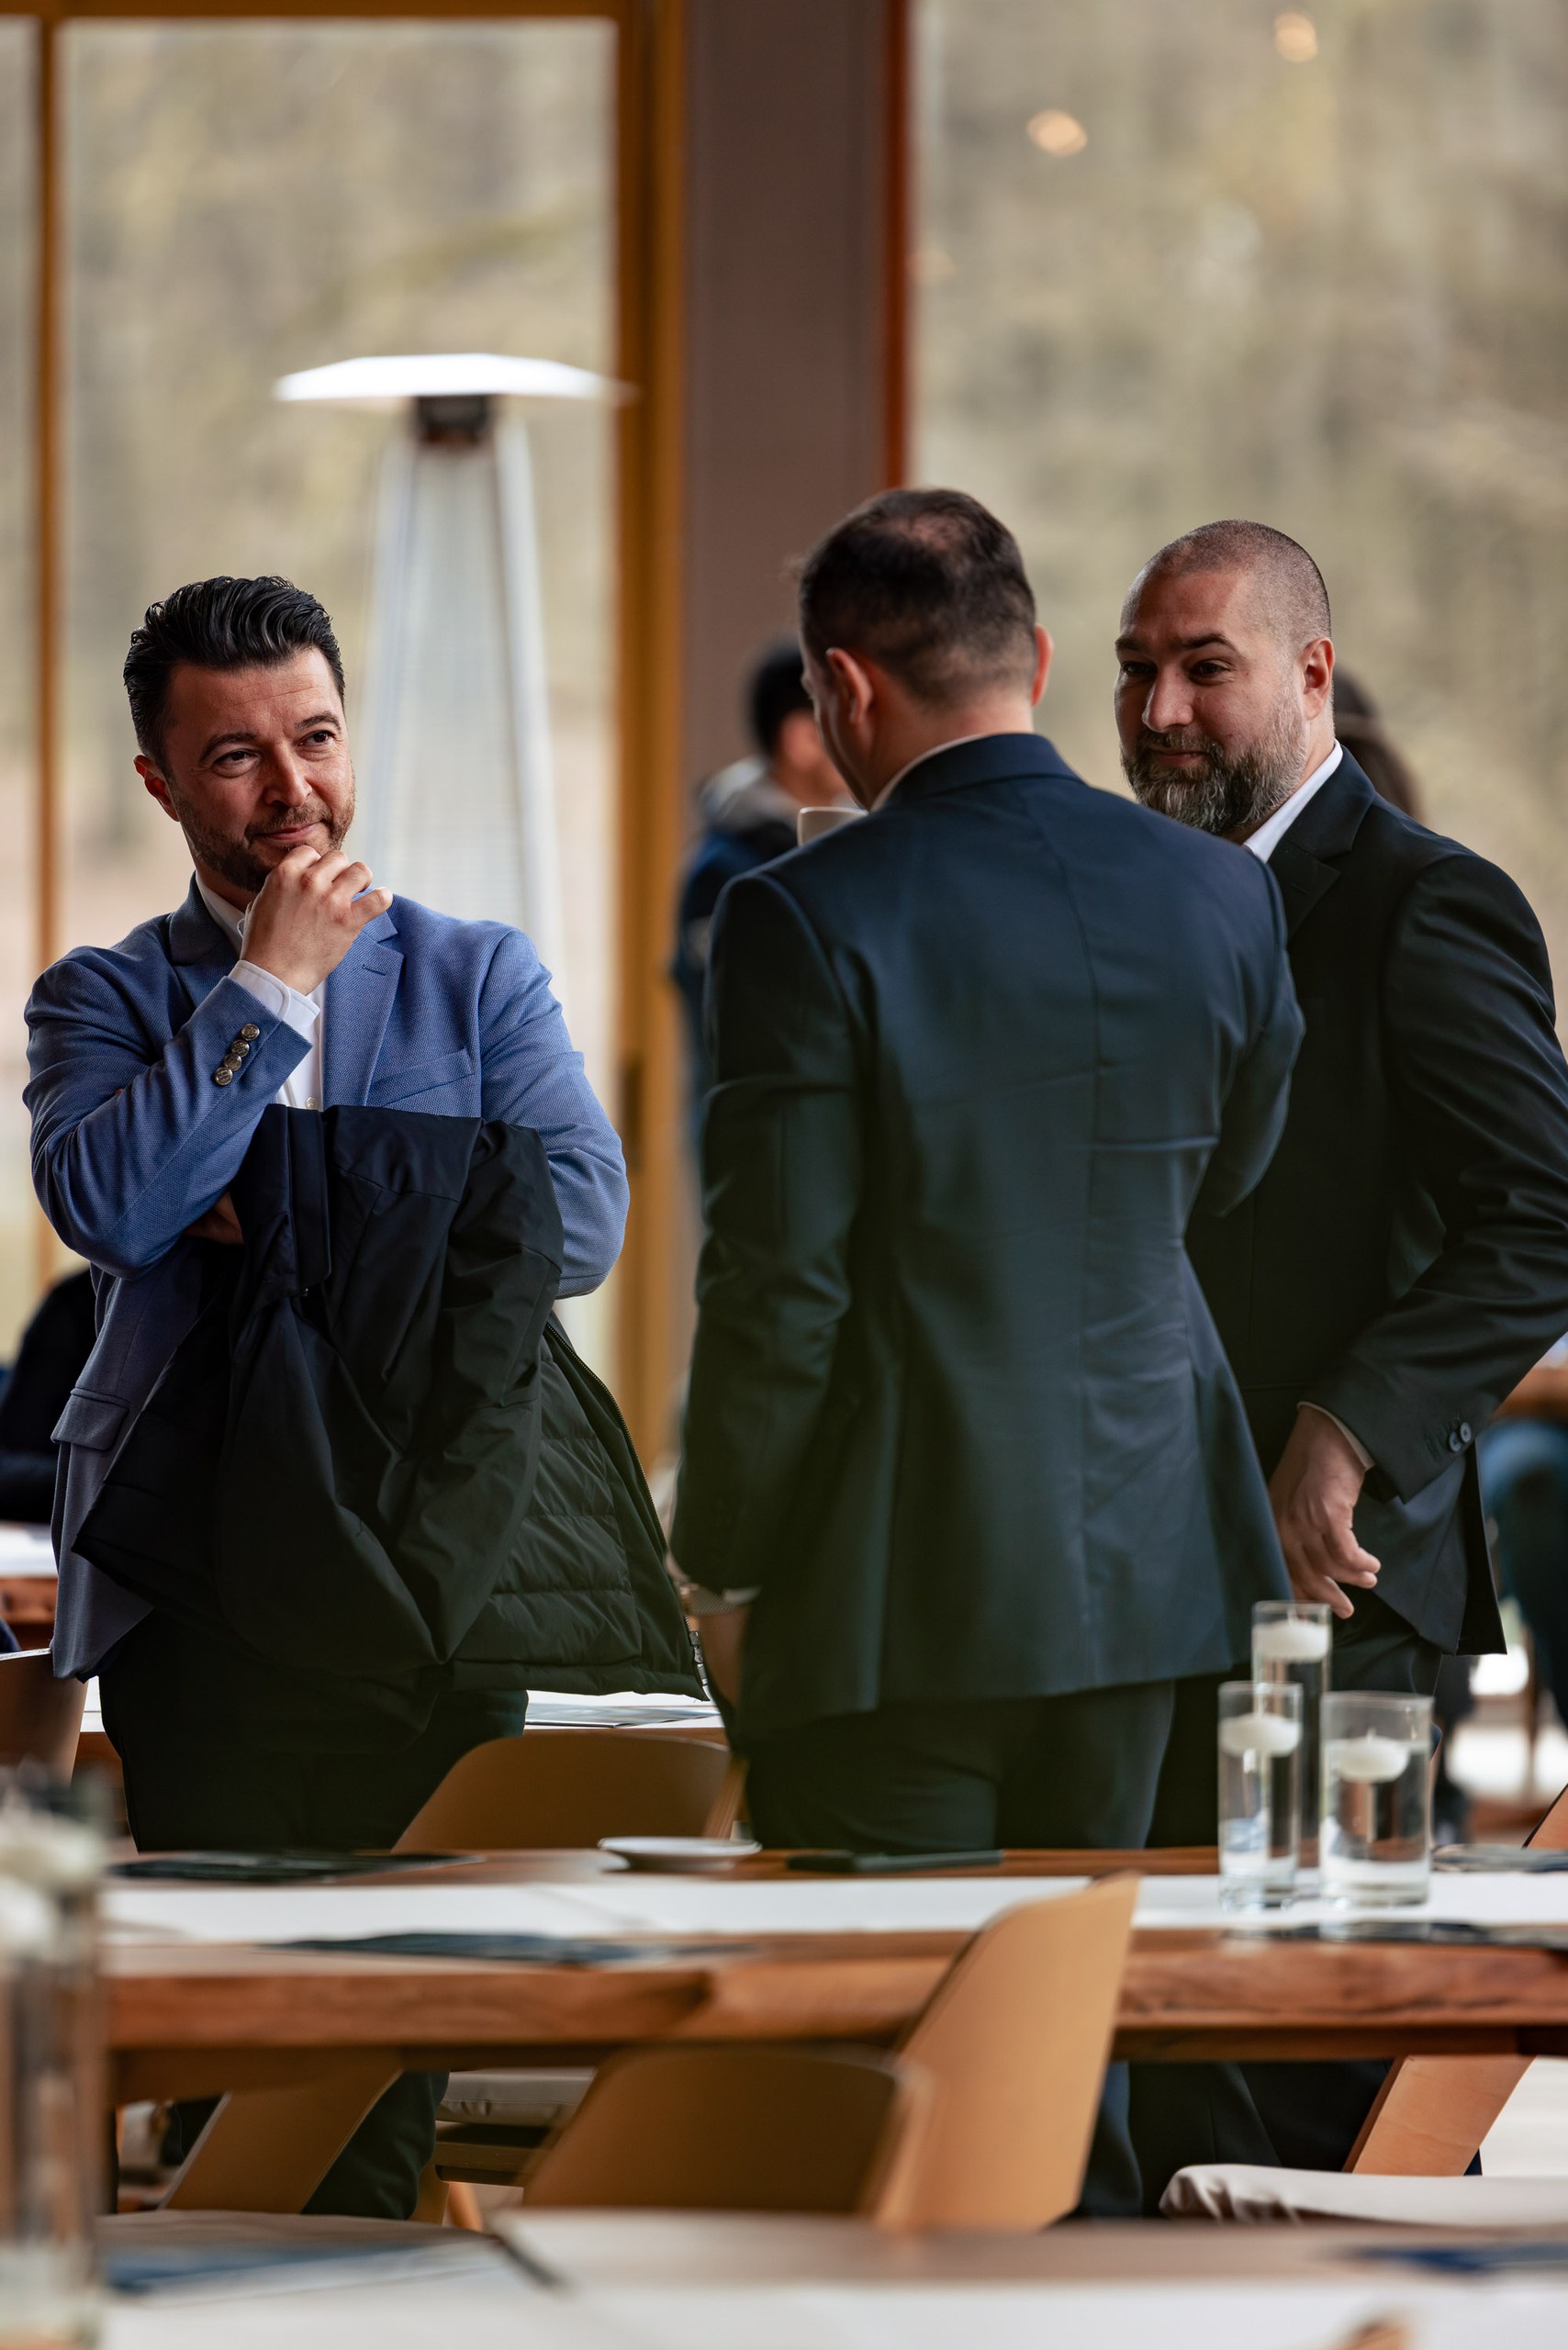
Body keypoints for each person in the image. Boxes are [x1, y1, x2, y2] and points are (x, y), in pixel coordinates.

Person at [670, 487, 1304, 2215]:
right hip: (1155, 1570)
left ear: (844, 689)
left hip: (899, 1584)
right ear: (1036, 657)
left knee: (889, 2077)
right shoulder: (1220, 893)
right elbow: (1227, 1179)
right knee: (1067, 2058)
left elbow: (778, 1289)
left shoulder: (806, 916)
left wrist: (720, 1555)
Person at [25, 574, 629, 2216]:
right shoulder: (101, 996)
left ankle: (358, 2304)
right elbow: (118, 1207)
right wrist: (268, 994)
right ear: (160, 782)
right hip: (197, 1577)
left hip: (440, 1564)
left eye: (315, 738)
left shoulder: (477, 975)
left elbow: (580, 1222)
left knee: (393, 2044)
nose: (291, 787)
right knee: (243, 2045)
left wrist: (282, 1193)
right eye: (236, 757)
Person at [1117, 519, 1568, 2175]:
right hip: (1142, 1562)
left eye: (1204, 668)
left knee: (1306, 2078)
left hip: (1336, 1585)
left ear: (1310, 674)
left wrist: (1348, 1426)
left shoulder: (1423, 903)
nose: (1159, 710)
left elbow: (1542, 1211)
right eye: (1135, 671)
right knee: (1174, 2065)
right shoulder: (1138, 898)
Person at [672, 637, 846, 1126]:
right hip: (757, 1132)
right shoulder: (725, 871)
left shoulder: (839, 840)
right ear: (802, 739)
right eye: (847, 716)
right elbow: (738, 1028)